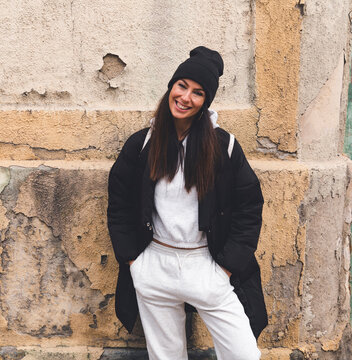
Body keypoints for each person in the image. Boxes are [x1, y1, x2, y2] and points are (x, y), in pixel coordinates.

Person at [107, 46, 267, 360]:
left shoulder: (224, 147)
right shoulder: (143, 143)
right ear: (171, 86)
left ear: (206, 101)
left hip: (207, 266)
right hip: (155, 264)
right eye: (182, 86)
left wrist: (224, 269)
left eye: (198, 92)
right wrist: (134, 262)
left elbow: (250, 208)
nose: (186, 97)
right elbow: (120, 203)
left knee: (244, 355)